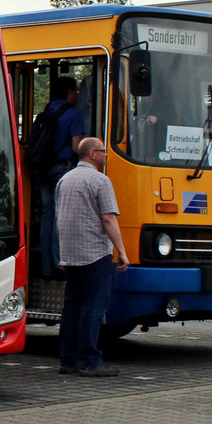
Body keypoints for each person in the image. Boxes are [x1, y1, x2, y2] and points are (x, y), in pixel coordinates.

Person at [55, 137, 129, 377]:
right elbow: (108, 219)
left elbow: (59, 216)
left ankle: (68, 360)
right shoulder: (100, 180)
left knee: (71, 307)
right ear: (92, 154)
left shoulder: (64, 180)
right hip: (95, 253)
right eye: (102, 151)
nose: (106, 155)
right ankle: (90, 360)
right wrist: (122, 251)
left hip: (70, 253)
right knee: (93, 307)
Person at [38, 77, 85, 276]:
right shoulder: (74, 114)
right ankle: (60, 264)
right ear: (68, 92)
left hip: (43, 168)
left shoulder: (47, 110)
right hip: (61, 169)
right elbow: (76, 147)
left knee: (47, 217)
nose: (77, 95)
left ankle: (45, 267)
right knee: (61, 217)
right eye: (75, 90)